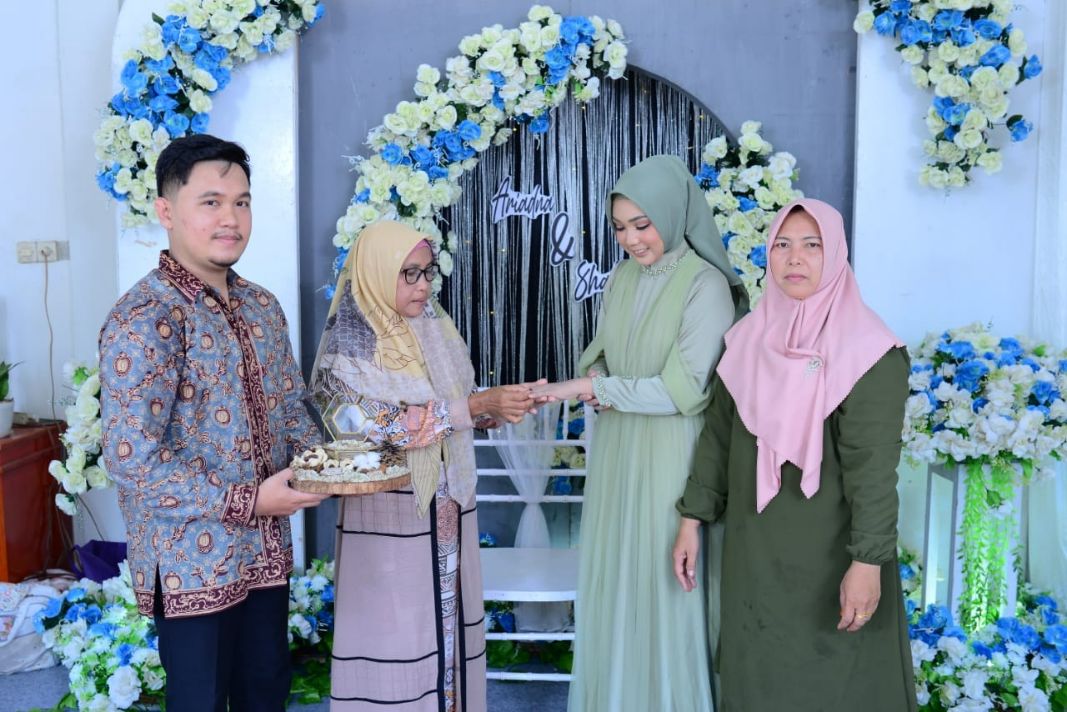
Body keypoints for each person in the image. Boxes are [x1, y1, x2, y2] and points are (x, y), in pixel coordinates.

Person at [98, 134, 329, 711]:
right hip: (190, 565)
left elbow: (292, 406)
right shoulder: (146, 316)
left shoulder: (262, 307)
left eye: (242, 202)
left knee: (265, 691)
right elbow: (131, 460)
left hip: (264, 553)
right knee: (200, 700)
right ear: (166, 211)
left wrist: (331, 464)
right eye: (211, 202)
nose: (231, 218)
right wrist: (248, 501)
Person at [672, 198, 917, 711]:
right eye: (782, 245)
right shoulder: (747, 340)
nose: (795, 258)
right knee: (759, 678)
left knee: (838, 684)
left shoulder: (870, 352)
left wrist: (867, 562)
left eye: (812, 245)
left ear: (837, 253)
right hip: (755, 553)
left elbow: (874, 471)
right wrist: (692, 519)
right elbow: (718, 439)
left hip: (833, 554)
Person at [532, 155, 748, 711]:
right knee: (619, 577)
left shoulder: (705, 286)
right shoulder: (623, 277)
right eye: (620, 227)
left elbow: (685, 391)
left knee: (662, 582)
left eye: (642, 224)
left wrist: (588, 388)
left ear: (672, 215)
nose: (630, 240)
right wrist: (599, 378)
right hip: (618, 449)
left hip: (673, 454)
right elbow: (607, 355)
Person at [309, 221, 541, 712]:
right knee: (397, 636)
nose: (423, 286)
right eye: (408, 273)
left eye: (427, 272)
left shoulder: (435, 330)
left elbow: (457, 405)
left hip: (449, 509)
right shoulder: (348, 347)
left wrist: (499, 407)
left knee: (447, 633)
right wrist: (472, 409)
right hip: (391, 517)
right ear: (375, 273)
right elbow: (361, 424)